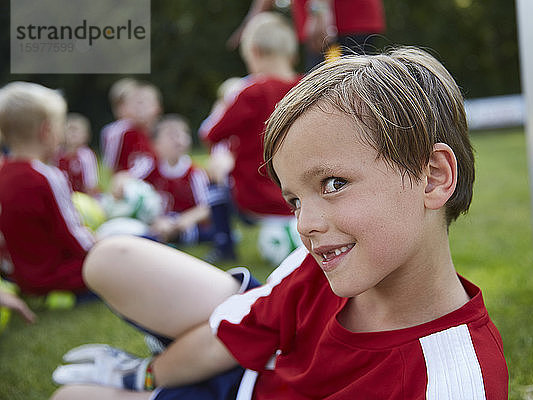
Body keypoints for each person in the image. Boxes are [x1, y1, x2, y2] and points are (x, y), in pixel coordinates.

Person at [51, 47, 508, 399]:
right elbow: (227, 340)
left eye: (332, 183)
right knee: (111, 256)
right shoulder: (325, 262)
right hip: (246, 369)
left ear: (432, 177)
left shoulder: (451, 379)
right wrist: (144, 376)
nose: (306, 224)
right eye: (293, 199)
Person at [200, 12, 303, 265]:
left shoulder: (251, 92)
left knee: (212, 177)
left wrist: (223, 104)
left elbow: (210, 134)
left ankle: (224, 245)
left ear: (254, 52)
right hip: (301, 195)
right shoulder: (307, 87)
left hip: (255, 196)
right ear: (291, 53)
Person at [0, 82, 95, 296]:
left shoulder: (2, 173)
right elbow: (71, 234)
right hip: (56, 276)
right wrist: (100, 247)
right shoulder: (47, 176)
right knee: (120, 255)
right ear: (47, 131)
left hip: (19, 278)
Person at [145, 115, 236, 259]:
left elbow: (205, 208)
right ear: (156, 144)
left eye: (182, 134)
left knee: (188, 233)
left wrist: (179, 222)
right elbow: (133, 186)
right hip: (157, 220)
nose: (178, 139)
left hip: (186, 223)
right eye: (170, 135)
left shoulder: (194, 173)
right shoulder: (149, 168)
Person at [229, 0, 386, 71]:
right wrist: (252, 22)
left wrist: (319, 9)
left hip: (342, 22)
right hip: (328, 25)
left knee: (342, 96)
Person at [102, 81, 162, 180]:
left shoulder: (161, 132)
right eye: (137, 104)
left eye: (144, 103)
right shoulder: (125, 132)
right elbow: (112, 166)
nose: (140, 109)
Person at [56, 113, 99, 195]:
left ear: (86, 136)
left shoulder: (86, 155)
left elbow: (91, 185)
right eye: (70, 130)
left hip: (82, 197)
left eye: (76, 130)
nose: (73, 134)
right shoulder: (56, 154)